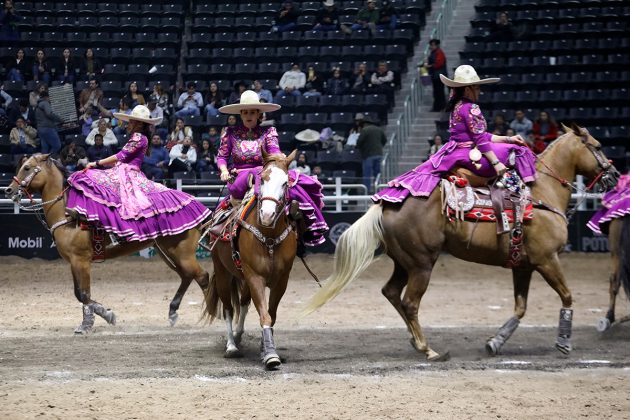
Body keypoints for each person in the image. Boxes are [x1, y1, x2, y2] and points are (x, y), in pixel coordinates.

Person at [373, 65, 537, 203]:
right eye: (477, 87)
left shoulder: (458, 106)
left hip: (455, 151)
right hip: (468, 154)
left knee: (511, 144)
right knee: (518, 150)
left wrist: (508, 138)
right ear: (467, 89)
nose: (479, 91)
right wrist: (496, 163)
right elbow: (480, 139)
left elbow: (482, 135)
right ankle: (521, 198)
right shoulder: (471, 108)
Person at [66, 105, 210, 242]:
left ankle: (98, 224)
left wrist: (95, 163)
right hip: (122, 170)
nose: (128, 124)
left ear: (139, 124)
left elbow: (121, 156)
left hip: (128, 174)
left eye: (131, 121)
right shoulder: (139, 137)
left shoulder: (139, 137)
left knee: (86, 178)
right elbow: (119, 159)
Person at [216, 90, 328, 247]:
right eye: (245, 112)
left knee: (295, 183)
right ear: (240, 114)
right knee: (260, 174)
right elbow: (221, 157)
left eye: (252, 112)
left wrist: (279, 157)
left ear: (258, 114)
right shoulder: (230, 133)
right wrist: (224, 170)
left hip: (264, 175)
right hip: (240, 178)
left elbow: (274, 151)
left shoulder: (269, 132)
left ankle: (302, 229)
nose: (249, 115)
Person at [356, 115, 386, 193]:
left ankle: (367, 190)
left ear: (364, 123)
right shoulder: (379, 130)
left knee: (367, 175)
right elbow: (384, 140)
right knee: (377, 173)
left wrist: (360, 148)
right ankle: (379, 189)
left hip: (368, 155)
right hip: (378, 154)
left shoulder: (365, 130)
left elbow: (359, 142)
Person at [34, 90, 63, 155]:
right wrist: (59, 119)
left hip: (40, 129)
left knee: (45, 148)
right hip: (47, 128)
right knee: (57, 146)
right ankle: (49, 160)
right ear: (46, 97)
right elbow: (49, 114)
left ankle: (44, 163)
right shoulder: (45, 103)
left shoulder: (37, 105)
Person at [424, 39, 447, 112]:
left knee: (439, 92)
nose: (431, 46)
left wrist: (429, 66)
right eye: (431, 45)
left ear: (437, 45)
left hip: (439, 75)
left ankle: (441, 106)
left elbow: (439, 64)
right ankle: (438, 106)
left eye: (433, 45)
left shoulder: (439, 53)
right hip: (435, 75)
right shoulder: (433, 53)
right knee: (436, 92)